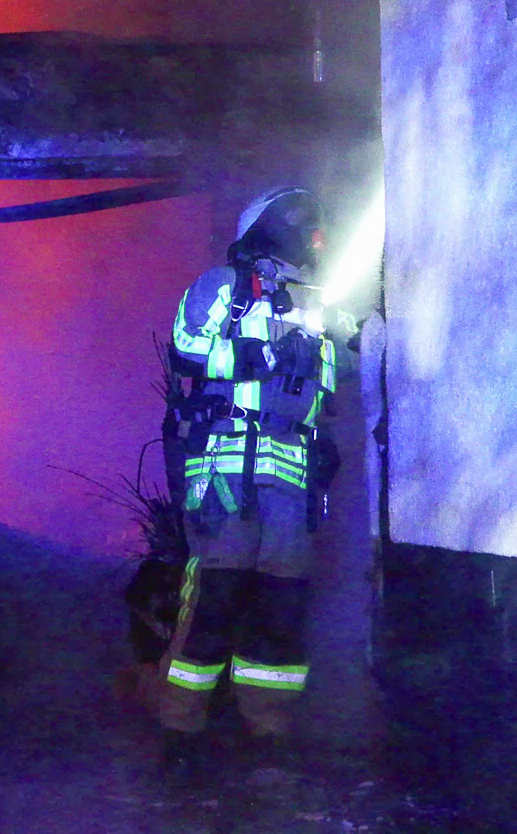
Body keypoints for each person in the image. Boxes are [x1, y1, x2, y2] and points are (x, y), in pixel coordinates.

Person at [155, 185, 339, 776]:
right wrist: (259, 358)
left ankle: (269, 733)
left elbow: (327, 385)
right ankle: (180, 733)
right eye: (302, 223)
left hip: (291, 480)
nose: (314, 236)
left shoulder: (320, 304)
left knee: (281, 607)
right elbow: (186, 348)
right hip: (225, 470)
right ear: (267, 227)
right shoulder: (223, 287)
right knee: (215, 598)